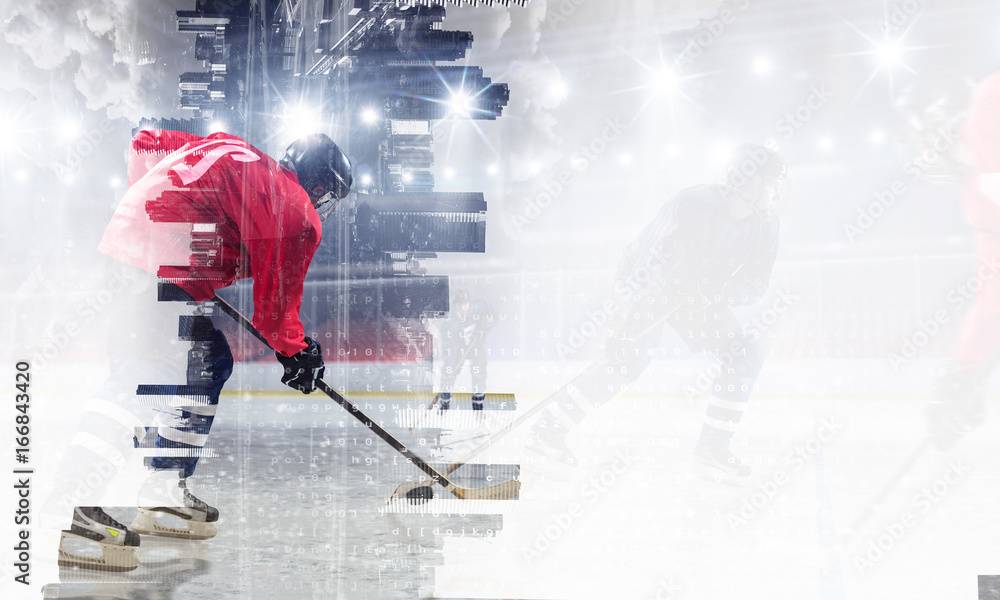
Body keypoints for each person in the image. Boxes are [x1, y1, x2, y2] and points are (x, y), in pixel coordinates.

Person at [54, 129, 352, 571]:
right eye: (329, 197)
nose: (325, 207)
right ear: (321, 186)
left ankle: (163, 491)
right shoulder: (297, 208)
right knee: (146, 371)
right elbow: (276, 309)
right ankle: (69, 508)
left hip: (136, 253)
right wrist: (298, 353)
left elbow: (144, 142)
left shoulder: (236, 149)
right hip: (156, 264)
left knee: (207, 363)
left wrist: (154, 213)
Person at [529, 144, 787, 484]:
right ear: (749, 183)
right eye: (770, 183)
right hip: (654, 289)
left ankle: (712, 449)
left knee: (745, 354)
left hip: (699, 300)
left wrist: (717, 292)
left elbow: (754, 283)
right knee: (628, 359)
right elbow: (641, 254)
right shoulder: (693, 204)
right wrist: (622, 322)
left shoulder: (766, 226)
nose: (776, 192)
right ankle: (547, 433)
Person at [431, 290, 496, 411]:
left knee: (479, 373)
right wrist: (449, 368)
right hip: (457, 349)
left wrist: (487, 325)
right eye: (459, 304)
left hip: (475, 347)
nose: (463, 307)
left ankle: (479, 411)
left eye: (465, 304)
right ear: (454, 306)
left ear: (470, 304)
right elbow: (449, 348)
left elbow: (495, 314)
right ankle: (444, 405)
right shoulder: (448, 323)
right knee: (447, 373)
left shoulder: (479, 307)